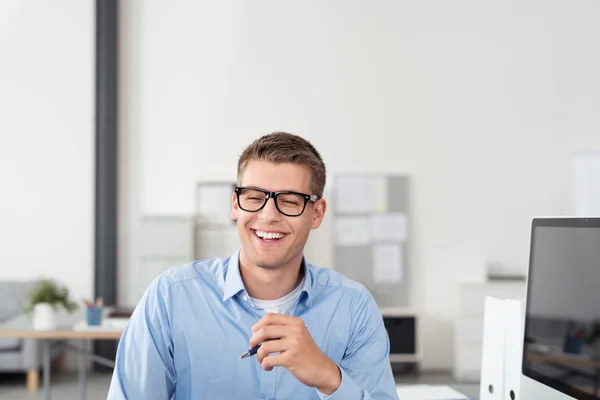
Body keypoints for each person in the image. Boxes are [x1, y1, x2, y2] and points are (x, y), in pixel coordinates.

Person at [107, 132, 399, 399]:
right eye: (254, 198)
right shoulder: (170, 297)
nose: (268, 215)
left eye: (290, 201)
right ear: (235, 205)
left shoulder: (353, 306)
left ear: (317, 213)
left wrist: (328, 377)